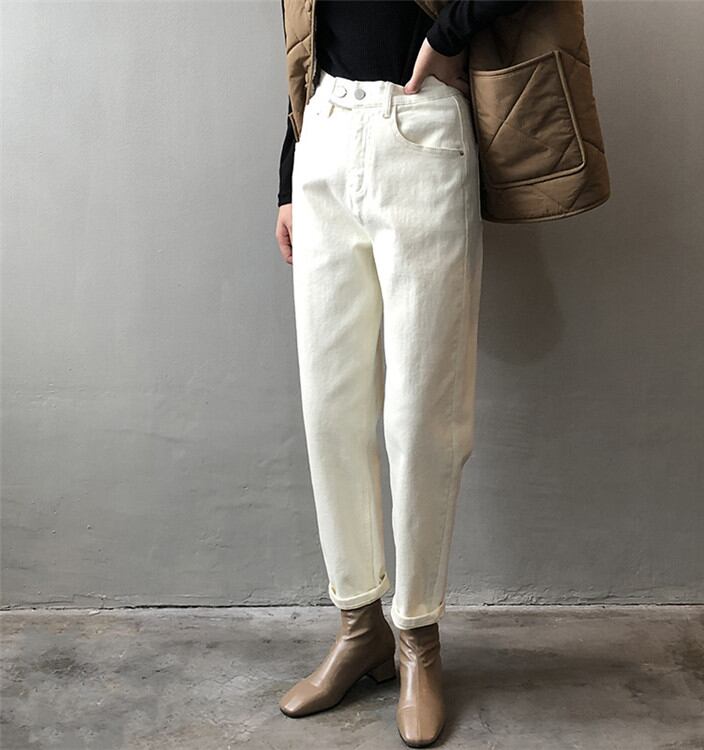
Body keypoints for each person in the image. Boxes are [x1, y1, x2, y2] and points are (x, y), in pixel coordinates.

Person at [274, 2, 527, 746]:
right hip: (324, 131)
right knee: (330, 408)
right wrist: (288, 176)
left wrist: (448, 34)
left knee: (421, 415)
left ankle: (417, 636)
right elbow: (306, 33)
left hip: (421, 127)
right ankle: (360, 627)